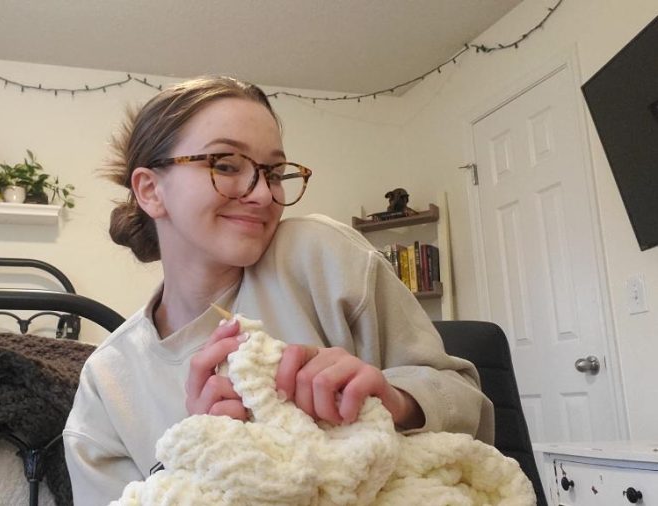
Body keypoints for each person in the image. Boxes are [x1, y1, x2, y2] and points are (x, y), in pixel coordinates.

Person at [63, 76, 493, 505]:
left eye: (273, 172)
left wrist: (392, 399)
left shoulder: (318, 256)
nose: (264, 194)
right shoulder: (109, 380)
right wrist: (201, 453)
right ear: (151, 190)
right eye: (227, 165)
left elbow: (466, 402)